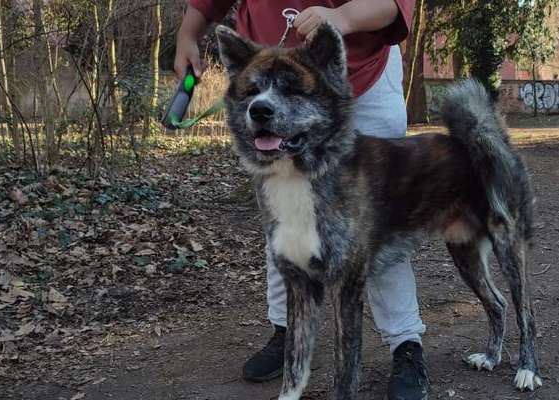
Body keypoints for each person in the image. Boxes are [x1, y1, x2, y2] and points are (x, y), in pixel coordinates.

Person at [173, 1, 428, 399]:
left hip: (362, 79)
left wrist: (341, 19)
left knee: (371, 227)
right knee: (285, 222)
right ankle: (288, 334)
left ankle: (405, 343)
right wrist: (188, 34)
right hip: (266, 81)